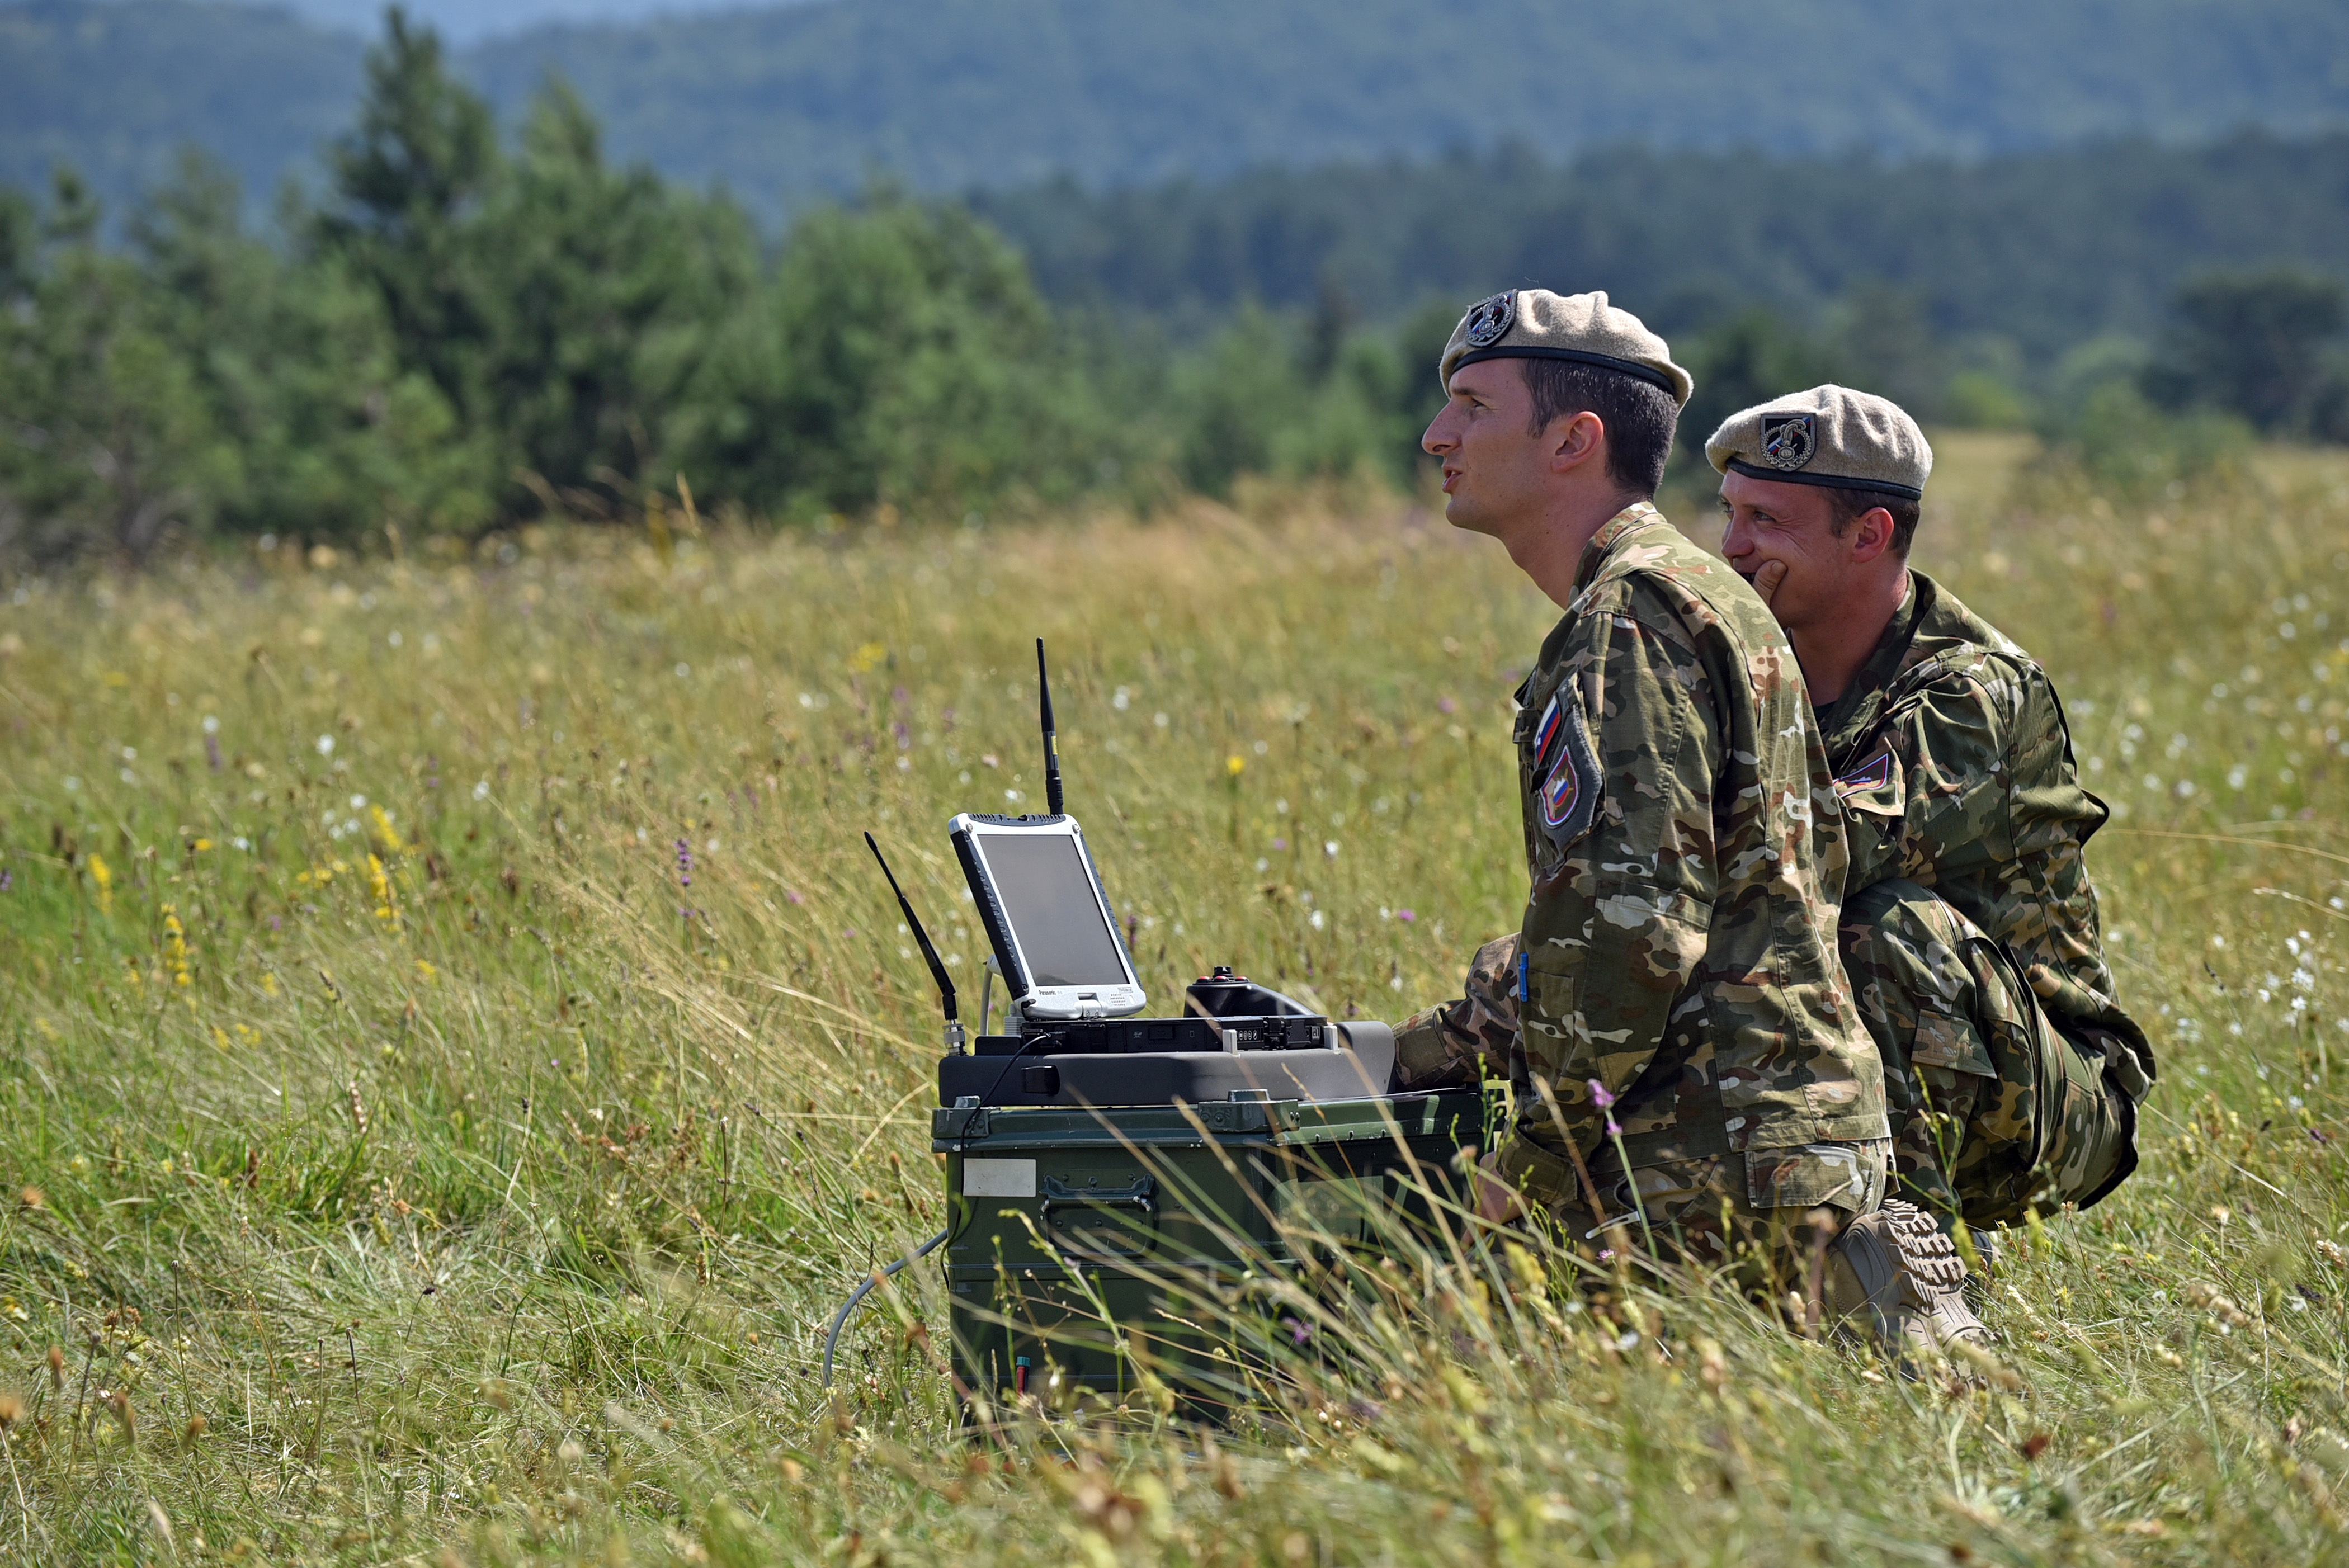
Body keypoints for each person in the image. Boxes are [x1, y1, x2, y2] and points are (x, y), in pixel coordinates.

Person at [1404, 290, 1978, 1348]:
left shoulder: (1626, 621)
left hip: (1705, 1172)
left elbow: (1634, 936)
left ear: (1574, 441)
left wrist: (1518, 1180)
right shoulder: (1702, 595)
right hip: (1782, 1145)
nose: (1438, 435)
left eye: (1474, 407)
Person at [1706, 386, 2154, 1233]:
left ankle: (1910, 1264)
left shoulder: (1974, 695)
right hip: (1885, 1051)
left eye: (1767, 521)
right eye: (1728, 515)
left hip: (2046, 1095)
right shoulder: (1753, 674)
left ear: (1870, 535)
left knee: (1881, 928)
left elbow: (1810, 860)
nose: (1730, 547)